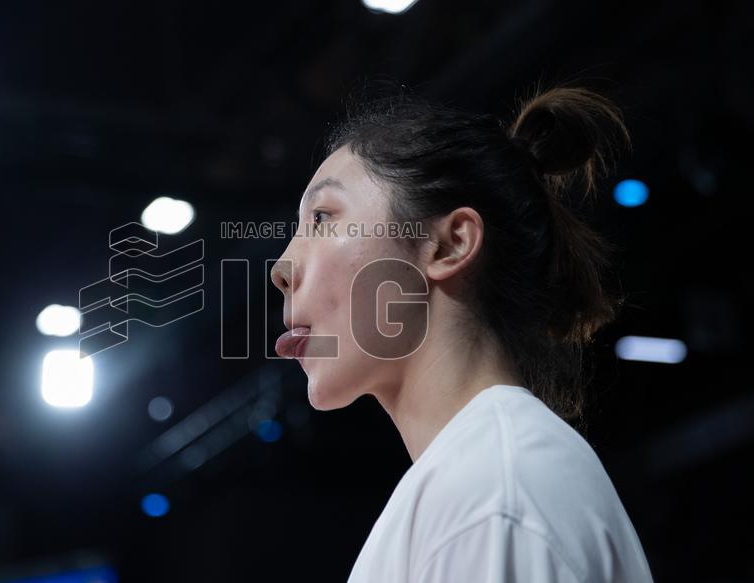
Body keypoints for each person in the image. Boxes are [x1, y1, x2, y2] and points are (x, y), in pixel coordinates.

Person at [270, 83, 654, 582]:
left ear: (449, 244)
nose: (281, 269)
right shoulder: (470, 482)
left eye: (321, 218)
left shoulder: (494, 487)